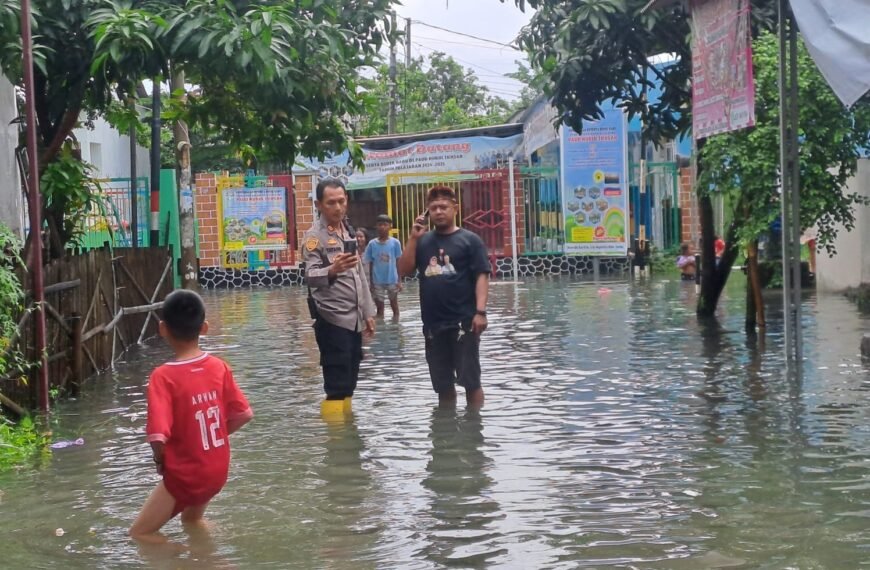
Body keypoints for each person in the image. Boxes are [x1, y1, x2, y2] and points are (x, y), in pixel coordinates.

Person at [129, 290, 253, 542]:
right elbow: (243, 414)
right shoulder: (219, 366)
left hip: (187, 474)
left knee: (140, 535)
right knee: (192, 520)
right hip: (217, 470)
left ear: (162, 329)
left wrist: (160, 461)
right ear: (204, 327)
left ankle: (186, 560)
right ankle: (205, 555)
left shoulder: (163, 376)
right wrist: (213, 434)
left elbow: (157, 435)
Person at [398, 185, 490, 408]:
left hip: (464, 322)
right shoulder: (422, 242)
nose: (439, 211)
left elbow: (482, 276)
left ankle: (473, 430)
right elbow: (403, 270)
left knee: (471, 382)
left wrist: (480, 312)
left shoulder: (470, 240)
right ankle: (446, 435)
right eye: (434, 208)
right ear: (428, 212)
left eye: (444, 207)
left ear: (455, 209)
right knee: (443, 386)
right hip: (433, 325)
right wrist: (412, 238)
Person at [303, 178, 376, 418]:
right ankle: (337, 446)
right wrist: (332, 270)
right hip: (332, 318)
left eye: (341, 201)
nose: (337, 207)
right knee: (336, 384)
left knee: (350, 378)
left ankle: (348, 436)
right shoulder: (314, 237)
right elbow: (310, 276)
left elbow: (359, 275)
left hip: (354, 318)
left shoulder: (348, 230)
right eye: (331, 202)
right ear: (319, 205)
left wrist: (368, 311)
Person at [363, 214, 403, 319]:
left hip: (392, 279)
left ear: (390, 226)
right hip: (377, 281)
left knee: (395, 307)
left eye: (385, 225)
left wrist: (399, 281)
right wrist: (371, 283)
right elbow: (370, 263)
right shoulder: (372, 244)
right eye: (380, 225)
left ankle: (395, 330)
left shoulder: (395, 243)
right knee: (380, 309)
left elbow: (399, 262)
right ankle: (381, 331)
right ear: (376, 226)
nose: (382, 227)